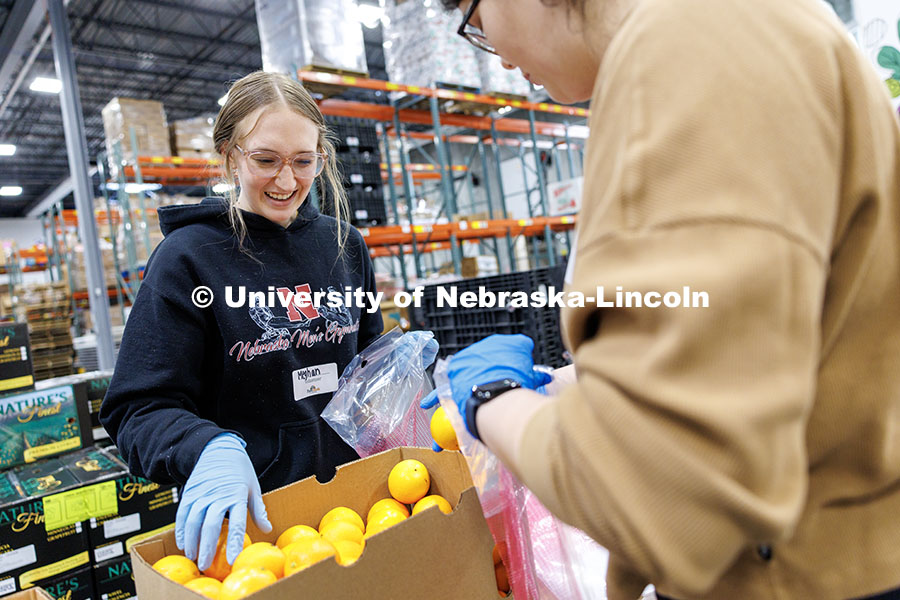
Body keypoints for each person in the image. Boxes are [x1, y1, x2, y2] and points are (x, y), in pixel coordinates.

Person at [427, 1, 900, 599]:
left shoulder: (691, 48)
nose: (494, 50)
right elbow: (761, 333)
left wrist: (491, 401)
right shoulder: (720, 30)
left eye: (474, 18)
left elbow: (662, 489)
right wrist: (588, 380)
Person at [100, 71, 437, 573]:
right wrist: (205, 447)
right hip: (253, 531)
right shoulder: (186, 260)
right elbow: (137, 408)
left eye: (304, 161)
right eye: (265, 160)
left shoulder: (344, 246)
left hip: (363, 511)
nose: (287, 181)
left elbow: (368, 369)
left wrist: (404, 384)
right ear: (230, 155)